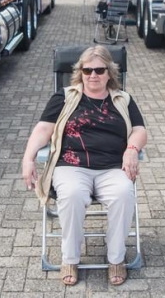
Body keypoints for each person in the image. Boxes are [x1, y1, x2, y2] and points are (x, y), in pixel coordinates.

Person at [21, 46, 147, 286]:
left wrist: (132, 149)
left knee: (123, 194)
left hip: (112, 167)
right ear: (80, 72)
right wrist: (28, 158)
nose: (93, 75)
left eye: (99, 70)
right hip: (71, 166)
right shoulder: (64, 97)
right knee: (71, 194)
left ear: (109, 72)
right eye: (87, 70)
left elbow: (140, 130)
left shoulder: (123, 99)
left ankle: (116, 258)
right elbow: (43, 129)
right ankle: (70, 259)